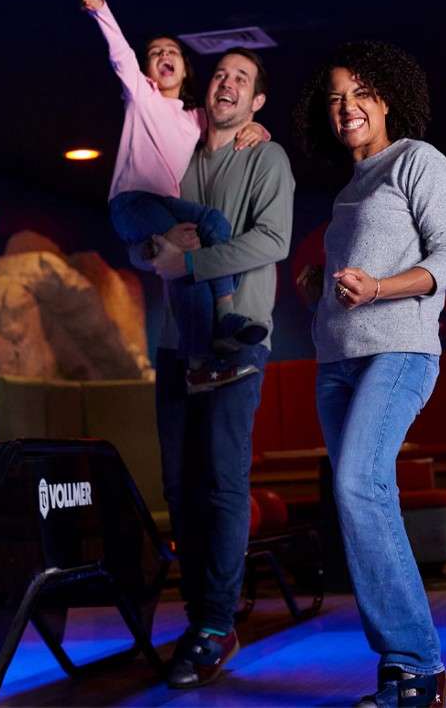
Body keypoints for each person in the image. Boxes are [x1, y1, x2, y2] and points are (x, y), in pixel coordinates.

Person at [294, 41, 446, 708]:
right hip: (337, 360)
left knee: (355, 481)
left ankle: (421, 665)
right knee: (359, 497)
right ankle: (399, 669)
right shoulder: (349, 190)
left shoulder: (417, 160)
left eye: (360, 92)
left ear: (387, 97)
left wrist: (379, 290)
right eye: (336, 97)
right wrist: (323, 287)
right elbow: (358, 274)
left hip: (400, 351)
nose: (347, 107)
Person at [138, 46, 294, 688]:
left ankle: (215, 622)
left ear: (257, 103)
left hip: (235, 345)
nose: (228, 84)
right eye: (222, 74)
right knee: (178, 487)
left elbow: (274, 240)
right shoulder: (174, 151)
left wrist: (191, 261)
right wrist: (158, 247)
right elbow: (145, 234)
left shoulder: (266, 154)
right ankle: (202, 613)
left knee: (223, 485)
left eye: (243, 79)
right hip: (176, 343)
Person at [83, 0, 270, 392]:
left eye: (172, 52)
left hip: (164, 204)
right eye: (155, 53)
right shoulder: (142, 98)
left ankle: (225, 316)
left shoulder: (195, 119)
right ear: (149, 70)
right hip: (131, 202)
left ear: (185, 70)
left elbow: (232, 120)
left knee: (214, 223)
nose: (164, 55)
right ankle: (199, 364)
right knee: (185, 258)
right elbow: (120, 56)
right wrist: (103, 12)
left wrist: (258, 129)